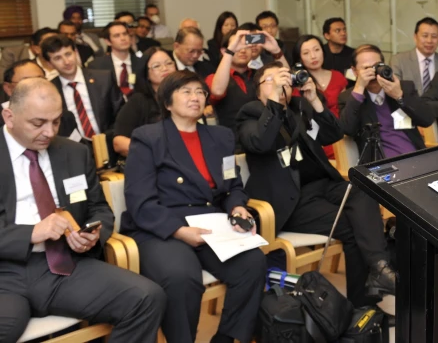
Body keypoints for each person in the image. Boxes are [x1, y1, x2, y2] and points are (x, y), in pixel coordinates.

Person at [0, 78, 165, 342]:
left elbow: (99, 208)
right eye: (37, 123)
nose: (49, 132)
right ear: (9, 116)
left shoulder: (74, 152)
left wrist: (93, 235)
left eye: (56, 121)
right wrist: (31, 233)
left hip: (63, 265)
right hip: (5, 274)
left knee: (146, 298)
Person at [122, 71, 265, 343]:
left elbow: (232, 184)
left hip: (211, 223)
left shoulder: (219, 136)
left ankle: (225, 338)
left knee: (253, 262)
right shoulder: (148, 137)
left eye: (200, 92)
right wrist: (178, 230)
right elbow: (140, 200)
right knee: (181, 277)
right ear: (167, 103)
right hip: (161, 226)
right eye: (186, 92)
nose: (195, 97)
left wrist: (237, 208)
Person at [236, 62, 394, 306]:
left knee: (363, 189)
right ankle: (365, 303)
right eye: (272, 80)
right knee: (354, 226)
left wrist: (314, 100)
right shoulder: (250, 113)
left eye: (285, 79)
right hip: (291, 200)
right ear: (258, 89)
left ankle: (378, 271)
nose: (282, 84)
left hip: (324, 184)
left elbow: (333, 135)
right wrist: (276, 101)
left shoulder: (299, 107)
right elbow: (261, 142)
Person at [339, 44, 434, 161]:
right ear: (354, 71)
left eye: (376, 66)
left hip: (415, 157)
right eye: (366, 68)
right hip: (381, 165)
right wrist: (359, 88)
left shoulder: (403, 87)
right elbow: (347, 129)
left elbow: (427, 119)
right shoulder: (350, 97)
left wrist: (399, 96)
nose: (373, 72)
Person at [41, 35, 125, 144]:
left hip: (109, 142)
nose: (66, 62)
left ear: (76, 52)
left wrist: (105, 138)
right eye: (58, 58)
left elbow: (121, 113)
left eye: (68, 54)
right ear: (49, 64)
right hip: (73, 148)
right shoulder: (50, 90)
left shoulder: (104, 79)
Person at [206, 29, 284, 134]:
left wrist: (276, 52)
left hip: (265, 138)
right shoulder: (214, 78)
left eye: (247, 46)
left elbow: (286, 84)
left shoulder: (260, 75)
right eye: (237, 47)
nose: (242, 50)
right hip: (232, 143)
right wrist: (230, 52)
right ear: (224, 51)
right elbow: (217, 91)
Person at [113, 48, 177, 157]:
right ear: (146, 74)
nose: (165, 68)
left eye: (169, 63)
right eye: (157, 66)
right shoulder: (138, 101)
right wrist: (152, 150)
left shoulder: (187, 95)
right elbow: (118, 142)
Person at [293, 34, 348, 159]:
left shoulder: (338, 76)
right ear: (299, 58)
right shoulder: (298, 84)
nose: (313, 56)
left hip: (341, 135)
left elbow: (345, 109)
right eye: (306, 53)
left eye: (317, 50)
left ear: (323, 51)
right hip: (316, 140)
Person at [0, 60, 79, 138]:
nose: (36, 87)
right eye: (26, 82)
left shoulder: (64, 117)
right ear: (8, 88)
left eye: (40, 80)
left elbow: (78, 148)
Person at [390, 17, 438, 96]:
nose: (429, 41)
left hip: (437, 108)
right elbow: (394, 90)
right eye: (425, 36)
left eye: (434, 36)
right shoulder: (399, 60)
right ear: (415, 37)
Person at [89, 22, 144, 98]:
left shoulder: (142, 62)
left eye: (125, 34)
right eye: (117, 36)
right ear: (108, 41)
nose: (123, 38)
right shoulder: (97, 66)